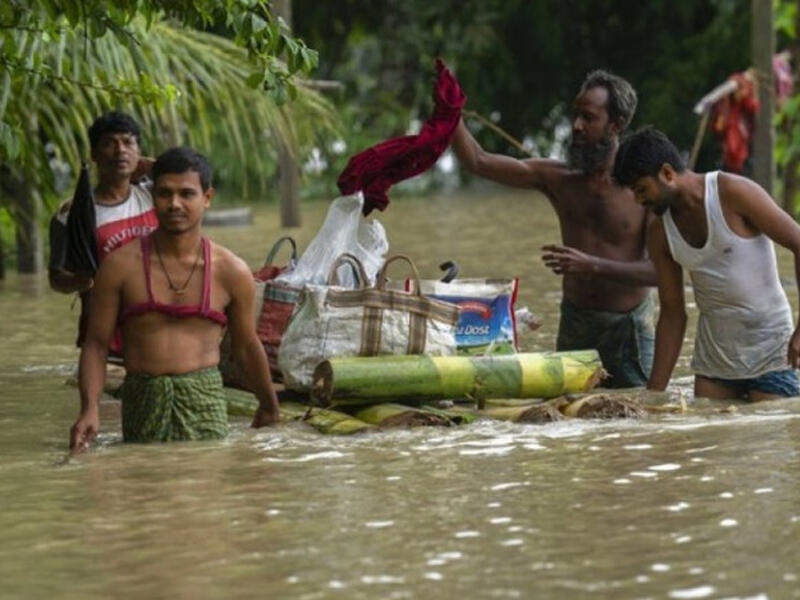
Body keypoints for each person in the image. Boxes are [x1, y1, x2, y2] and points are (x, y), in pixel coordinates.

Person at [451, 70, 656, 388]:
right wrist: (450, 112)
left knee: (638, 415)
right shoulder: (559, 179)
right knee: (571, 422)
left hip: (627, 330)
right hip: (576, 322)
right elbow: (477, 161)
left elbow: (659, 273)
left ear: (615, 125)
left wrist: (591, 265)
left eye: (588, 118)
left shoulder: (643, 187)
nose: (576, 126)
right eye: (575, 115)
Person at [69, 147, 280, 449]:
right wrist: (89, 409)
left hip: (205, 404)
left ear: (207, 198)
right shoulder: (119, 266)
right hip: (142, 401)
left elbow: (246, 346)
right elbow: (96, 343)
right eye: (165, 193)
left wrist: (269, 404)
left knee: (207, 485)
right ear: (153, 196)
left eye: (186, 194)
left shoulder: (232, 271)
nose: (174, 204)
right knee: (146, 485)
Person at [613, 126, 800, 400]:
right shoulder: (659, 232)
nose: (639, 201)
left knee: (769, 438)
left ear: (667, 173)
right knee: (709, 441)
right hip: (714, 365)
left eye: (641, 190)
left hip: (772, 355)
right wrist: (652, 396)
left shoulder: (733, 193)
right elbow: (673, 314)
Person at [49, 111, 158, 357]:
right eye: (110, 143)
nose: (120, 151)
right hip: (106, 336)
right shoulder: (72, 215)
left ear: (139, 150)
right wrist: (81, 281)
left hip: (159, 327)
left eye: (128, 142)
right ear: (94, 155)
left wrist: (151, 165)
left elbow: (192, 179)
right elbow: (56, 277)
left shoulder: (155, 195)